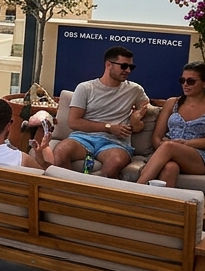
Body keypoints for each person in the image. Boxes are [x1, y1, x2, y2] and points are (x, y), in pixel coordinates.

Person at [50, 46, 150, 179]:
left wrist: (135, 120)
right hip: (83, 138)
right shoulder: (85, 88)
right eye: (124, 66)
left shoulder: (135, 90)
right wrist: (109, 127)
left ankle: (89, 186)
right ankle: (70, 189)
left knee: (115, 162)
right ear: (108, 65)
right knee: (60, 152)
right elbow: (74, 122)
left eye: (131, 67)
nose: (128, 70)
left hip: (115, 143)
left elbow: (142, 118)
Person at [137, 62, 205, 187]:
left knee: (169, 146)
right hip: (167, 150)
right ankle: (161, 200)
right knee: (170, 168)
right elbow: (157, 137)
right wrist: (163, 146)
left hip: (199, 156)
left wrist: (179, 144)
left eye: (191, 81)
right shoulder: (172, 103)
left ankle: (136, 188)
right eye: (182, 80)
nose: (185, 84)